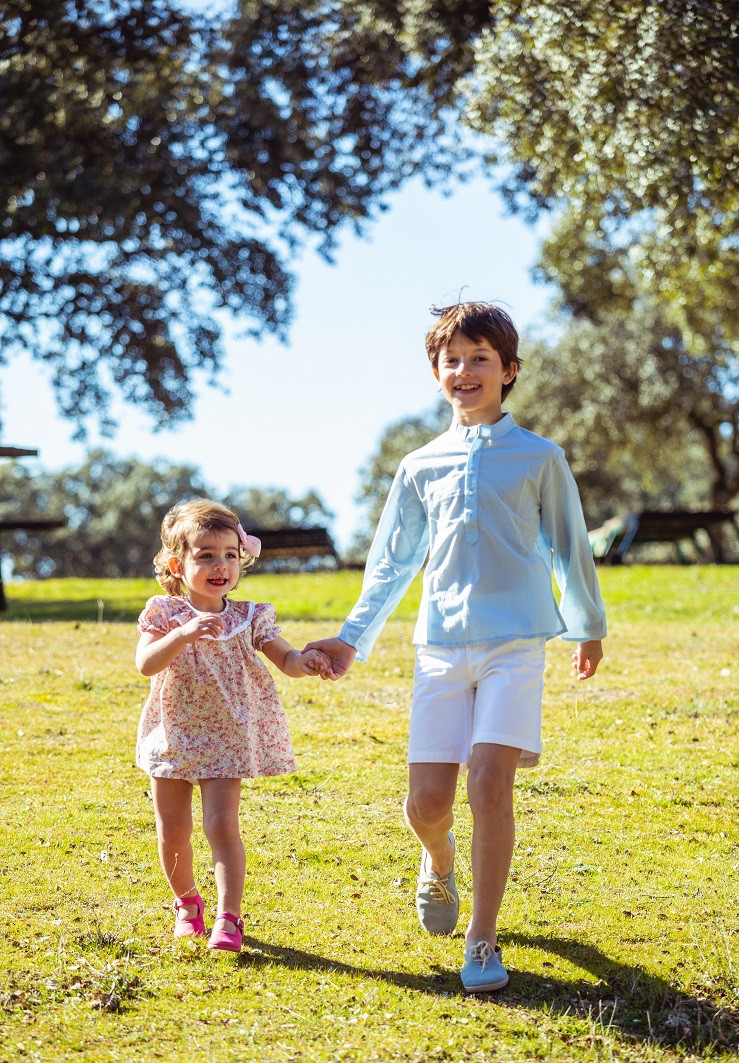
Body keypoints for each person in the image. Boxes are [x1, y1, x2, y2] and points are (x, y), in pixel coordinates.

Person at [305, 301, 606, 993]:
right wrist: (352, 639)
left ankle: (482, 939)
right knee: (426, 804)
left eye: (480, 359)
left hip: (515, 645)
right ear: (436, 373)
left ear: (508, 371)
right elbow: (391, 561)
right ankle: (437, 862)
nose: (464, 371)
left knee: (489, 786)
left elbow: (568, 545)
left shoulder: (540, 456)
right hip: (439, 650)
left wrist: (587, 625)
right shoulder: (418, 465)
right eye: (452, 361)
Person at [135, 499, 331, 952]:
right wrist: (181, 635)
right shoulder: (165, 614)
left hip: (228, 736)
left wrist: (308, 661)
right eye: (205, 555)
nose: (220, 565)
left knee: (222, 825)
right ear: (176, 564)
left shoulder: (249, 616)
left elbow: (285, 657)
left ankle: (228, 916)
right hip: (173, 734)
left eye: (229, 554)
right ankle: (187, 903)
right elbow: (145, 663)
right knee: (173, 829)